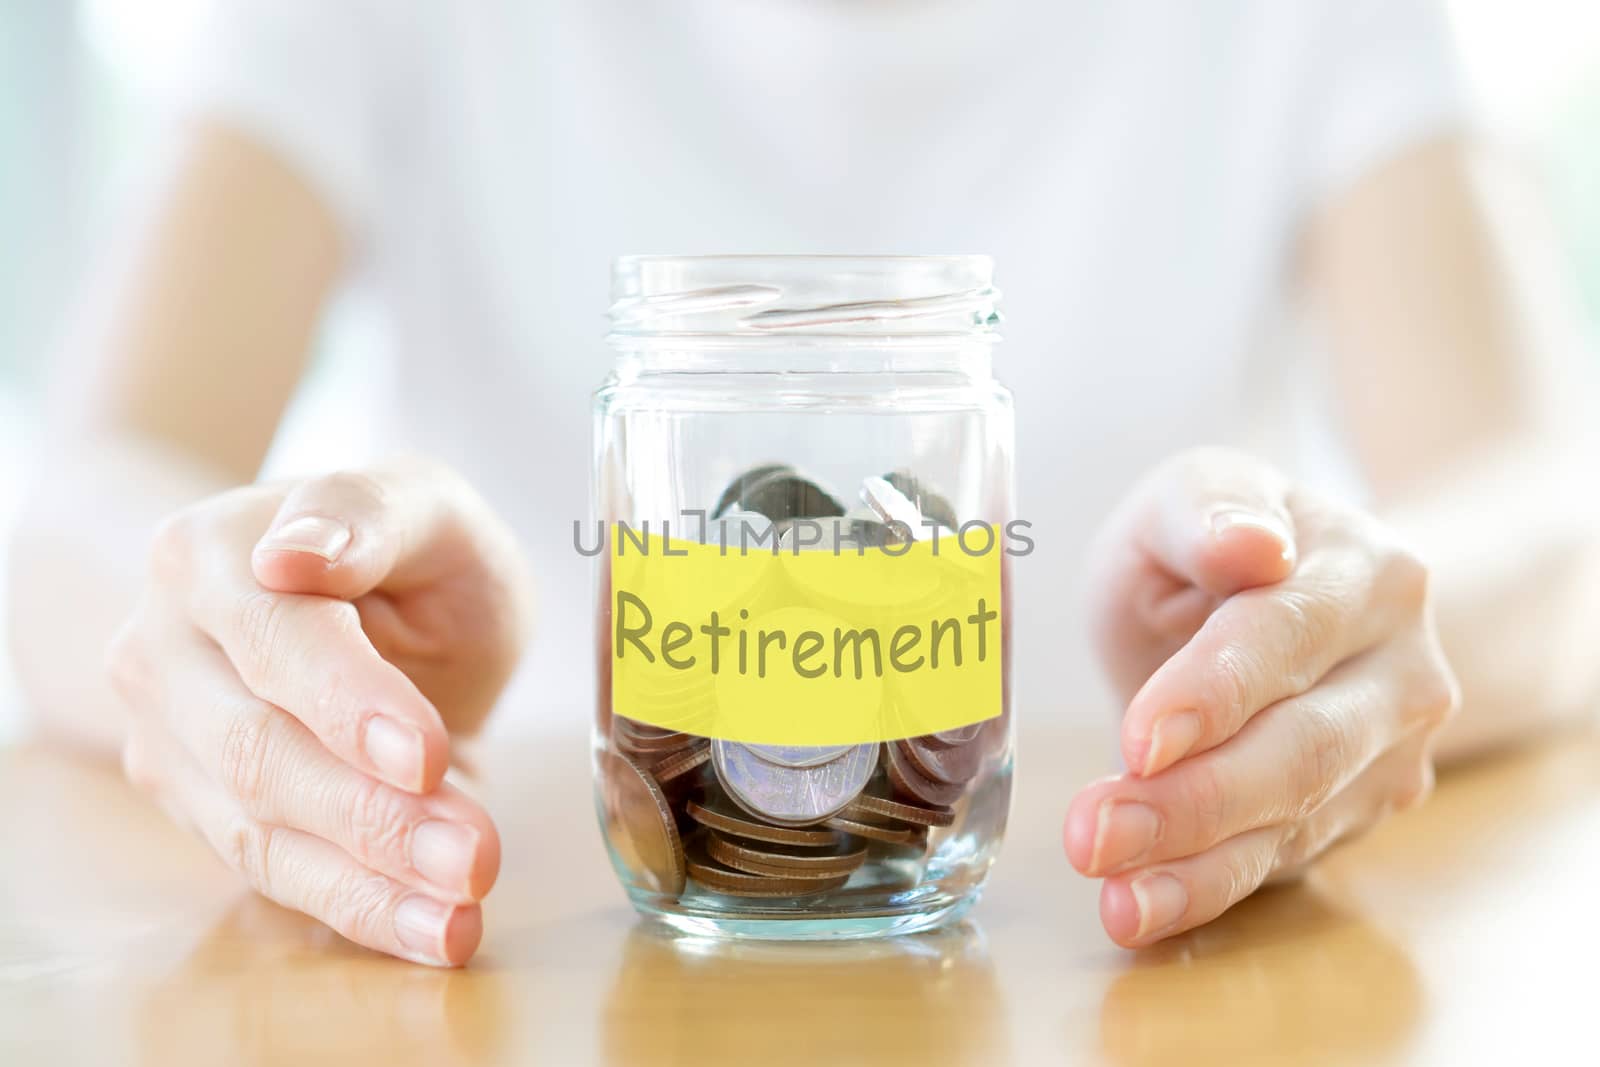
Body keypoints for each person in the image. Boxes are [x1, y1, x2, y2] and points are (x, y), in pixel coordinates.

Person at [8, 0, 1599, 968]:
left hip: (1089, 957)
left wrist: (1320, 618)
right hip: (571, 944)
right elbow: (66, 502)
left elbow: (1546, 503)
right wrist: (259, 608)